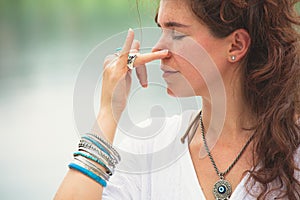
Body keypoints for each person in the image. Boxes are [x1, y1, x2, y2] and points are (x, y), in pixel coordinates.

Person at [54, 0, 300, 199]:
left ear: (236, 45)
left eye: (177, 34)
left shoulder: (294, 154)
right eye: (161, 30)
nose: (159, 50)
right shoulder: (150, 148)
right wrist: (109, 111)